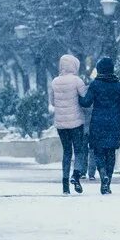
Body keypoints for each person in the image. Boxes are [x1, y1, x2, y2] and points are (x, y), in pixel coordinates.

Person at [79, 57, 120, 195]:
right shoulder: (119, 86)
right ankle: (107, 183)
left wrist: (77, 96)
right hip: (115, 123)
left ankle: (102, 174)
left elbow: (86, 102)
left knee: (98, 152)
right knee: (111, 153)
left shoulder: (95, 85)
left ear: (99, 69)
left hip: (98, 123)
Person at [50, 54, 88, 195]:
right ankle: (76, 176)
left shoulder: (54, 82)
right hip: (76, 122)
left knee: (67, 152)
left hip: (61, 124)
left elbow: (53, 102)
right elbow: (85, 99)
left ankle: (65, 184)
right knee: (79, 150)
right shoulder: (77, 81)